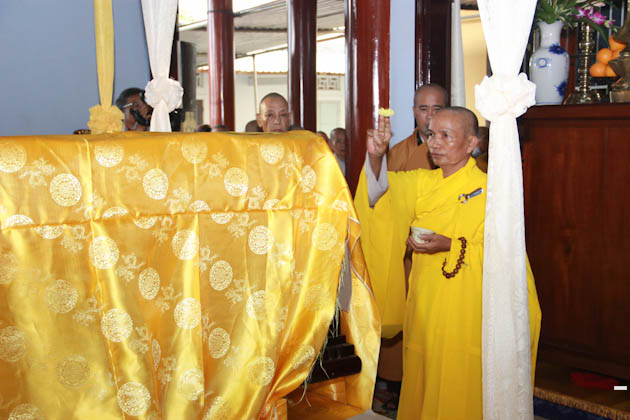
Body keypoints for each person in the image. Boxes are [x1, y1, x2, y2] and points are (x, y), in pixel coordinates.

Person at [355, 108, 541, 420]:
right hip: (426, 301)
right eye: (430, 134)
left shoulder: (491, 191)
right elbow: (378, 194)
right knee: (426, 371)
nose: (434, 143)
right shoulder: (422, 182)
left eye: (445, 136)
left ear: (471, 143)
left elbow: (506, 256)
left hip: (468, 308)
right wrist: (376, 157)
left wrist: (451, 245)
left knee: (460, 377)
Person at [387, 84, 448, 171]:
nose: (430, 116)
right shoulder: (398, 153)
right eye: (424, 109)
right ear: (414, 111)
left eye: (436, 109)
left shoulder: (458, 148)